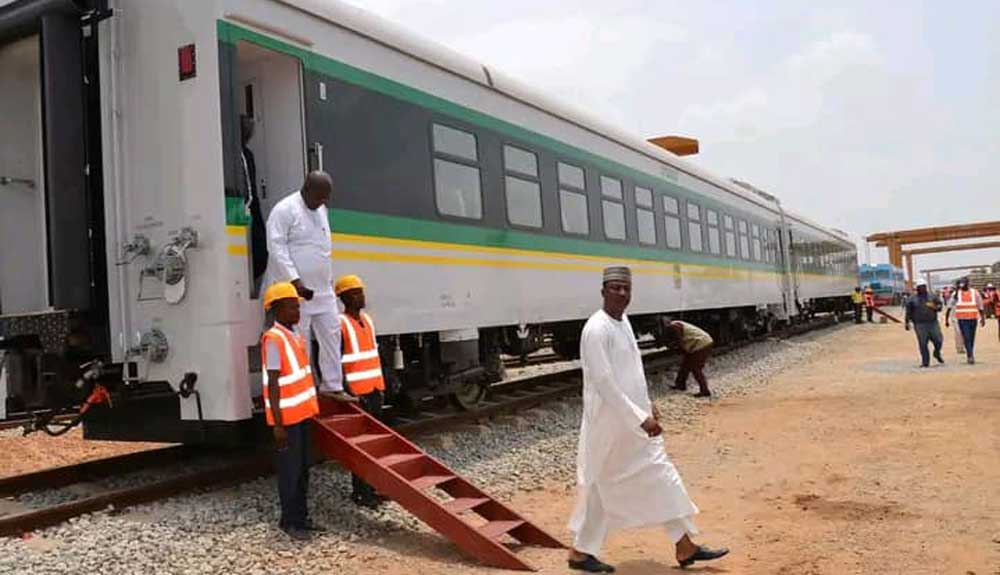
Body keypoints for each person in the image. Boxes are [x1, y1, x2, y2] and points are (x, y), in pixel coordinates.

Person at [567, 266, 728, 572]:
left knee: (656, 474)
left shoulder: (623, 322)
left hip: (632, 421)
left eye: (626, 288)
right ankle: (581, 551)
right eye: (615, 288)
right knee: (604, 483)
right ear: (603, 291)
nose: (622, 294)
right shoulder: (596, 329)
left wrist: (647, 404)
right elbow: (604, 383)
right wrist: (639, 418)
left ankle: (684, 545)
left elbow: (631, 372)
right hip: (610, 424)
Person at [264, 171, 354, 402]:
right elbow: (276, 249)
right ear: (306, 189)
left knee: (332, 334)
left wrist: (328, 281)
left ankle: (332, 386)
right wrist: (295, 281)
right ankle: (306, 388)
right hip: (295, 292)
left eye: (326, 198)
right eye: (320, 197)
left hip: (322, 290)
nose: (323, 202)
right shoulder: (284, 210)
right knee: (300, 340)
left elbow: (323, 250)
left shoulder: (321, 210)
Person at [260, 282, 324, 540]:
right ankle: (289, 521)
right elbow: (273, 383)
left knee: (303, 470)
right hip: (286, 420)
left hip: (302, 415)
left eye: (298, 307)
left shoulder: (293, 335)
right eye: (291, 307)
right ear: (276, 310)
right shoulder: (273, 339)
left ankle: (302, 517)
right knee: (290, 472)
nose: (297, 312)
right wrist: (277, 424)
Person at [334, 274, 389, 509]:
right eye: (355, 292)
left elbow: (373, 356)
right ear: (344, 297)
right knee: (362, 447)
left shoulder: (367, 320)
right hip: (358, 394)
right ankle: (360, 492)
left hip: (374, 390)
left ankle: (370, 487)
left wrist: (382, 386)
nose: (361, 296)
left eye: (361, 291)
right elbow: (334, 360)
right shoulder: (340, 323)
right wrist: (346, 391)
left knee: (373, 445)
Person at [240, 115, 269, 286]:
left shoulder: (246, 154)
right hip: (249, 207)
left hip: (251, 206)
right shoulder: (242, 154)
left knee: (259, 250)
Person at [659, 318, 715, 397]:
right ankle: (680, 385)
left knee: (695, 368)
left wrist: (679, 350)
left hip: (702, 343)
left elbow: (680, 343)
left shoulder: (674, 327)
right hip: (698, 342)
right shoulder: (674, 325)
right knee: (685, 365)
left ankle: (705, 391)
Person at [904, 279, 944, 368]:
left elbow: (940, 306)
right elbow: (908, 312)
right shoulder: (912, 299)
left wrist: (935, 307)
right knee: (923, 343)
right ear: (917, 288)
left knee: (938, 340)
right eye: (920, 287)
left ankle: (937, 353)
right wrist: (907, 322)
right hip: (919, 324)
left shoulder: (932, 296)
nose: (922, 289)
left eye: (924, 287)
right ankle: (925, 362)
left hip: (933, 323)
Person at [945, 277, 985, 364]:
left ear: (968, 283)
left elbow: (980, 305)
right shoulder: (956, 294)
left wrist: (983, 318)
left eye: (964, 283)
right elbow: (949, 306)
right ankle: (970, 356)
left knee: (971, 338)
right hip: (962, 320)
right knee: (966, 337)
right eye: (961, 283)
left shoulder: (975, 293)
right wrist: (946, 319)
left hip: (973, 318)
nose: (962, 285)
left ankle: (970, 352)